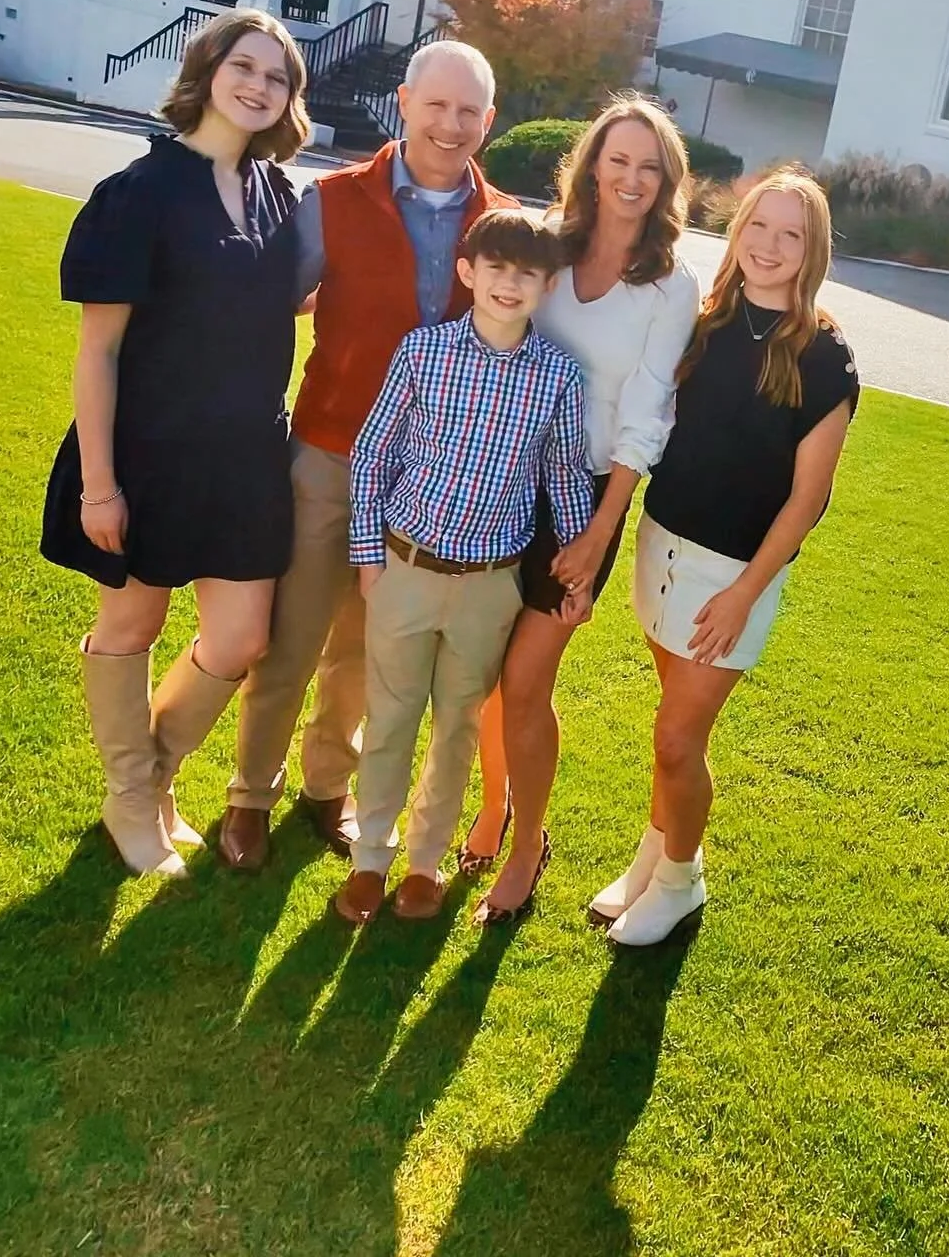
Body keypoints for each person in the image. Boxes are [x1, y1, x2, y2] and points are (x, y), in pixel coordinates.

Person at [217, 40, 517, 872]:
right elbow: (268, 307)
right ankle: (249, 796)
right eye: (436, 105)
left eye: (468, 112)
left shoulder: (504, 227)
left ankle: (325, 789)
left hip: (430, 485)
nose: (450, 125)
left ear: (487, 122)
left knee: (364, 649)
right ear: (404, 102)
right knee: (292, 635)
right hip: (331, 455)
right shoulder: (333, 201)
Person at [41, 10, 308, 877]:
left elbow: (281, 300)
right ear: (207, 70)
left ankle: (152, 777)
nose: (259, 86)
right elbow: (99, 349)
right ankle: (132, 799)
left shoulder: (277, 195)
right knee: (134, 615)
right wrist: (98, 484)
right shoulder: (142, 192)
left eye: (278, 76)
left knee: (239, 636)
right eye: (246, 66)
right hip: (147, 447)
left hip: (245, 457)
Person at [593, 164, 859, 946]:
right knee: (671, 734)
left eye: (791, 234)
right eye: (758, 226)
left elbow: (808, 498)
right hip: (662, 545)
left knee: (679, 737)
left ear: (811, 252)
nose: (770, 246)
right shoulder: (708, 321)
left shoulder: (824, 354)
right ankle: (656, 851)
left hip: (733, 577)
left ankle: (681, 880)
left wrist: (745, 592)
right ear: (737, 231)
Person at [465, 97, 700, 924]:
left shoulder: (670, 283)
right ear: (592, 163)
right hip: (496, 484)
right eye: (619, 160)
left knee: (527, 679)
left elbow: (647, 414)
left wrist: (598, 533)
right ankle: (491, 807)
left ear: (666, 180)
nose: (632, 179)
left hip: (584, 503)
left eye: (650, 166)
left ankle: (528, 841)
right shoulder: (548, 250)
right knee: (490, 679)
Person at [333, 210, 595, 924]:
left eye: (527, 274)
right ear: (467, 273)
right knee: (389, 719)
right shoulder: (423, 352)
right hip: (405, 569)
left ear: (547, 286)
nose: (509, 285)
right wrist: (368, 560)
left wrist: (577, 574)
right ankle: (370, 860)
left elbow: (565, 479)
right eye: (497, 269)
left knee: (455, 728)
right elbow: (374, 455)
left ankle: (424, 864)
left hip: (490, 586)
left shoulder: (558, 378)